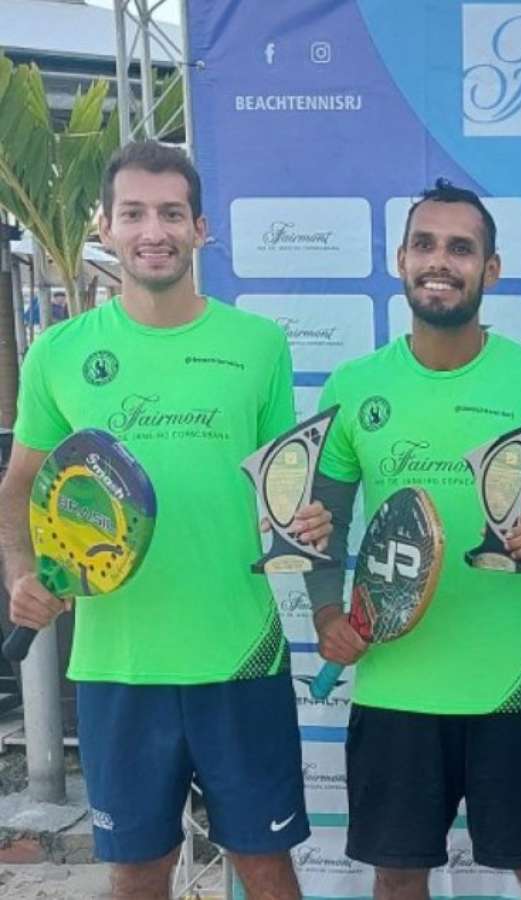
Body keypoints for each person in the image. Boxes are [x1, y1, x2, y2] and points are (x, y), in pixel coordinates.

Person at [0, 141, 330, 900]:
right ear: (106, 228)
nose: (155, 230)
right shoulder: (59, 352)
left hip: (239, 656)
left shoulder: (258, 345)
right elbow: (19, 484)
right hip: (121, 667)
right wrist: (22, 572)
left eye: (172, 214)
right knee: (138, 874)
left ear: (200, 228)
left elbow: (281, 488)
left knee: (266, 869)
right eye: (135, 213)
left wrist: (303, 521)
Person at [308, 178, 521, 900]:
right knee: (398, 877)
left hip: (515, 689)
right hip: (395, 683)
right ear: (401, 259)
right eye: (426, 244)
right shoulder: (353, 385)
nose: (441, 261)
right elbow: (325, 519)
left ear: (490, 270)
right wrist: (323, 614)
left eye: (461, 248)